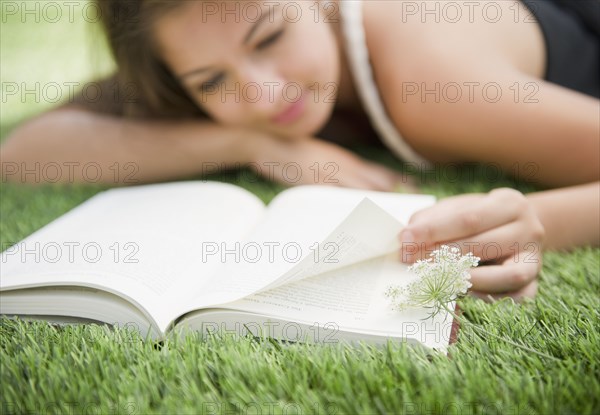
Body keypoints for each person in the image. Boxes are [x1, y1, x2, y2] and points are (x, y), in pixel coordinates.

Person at [1, 0, 598, 301]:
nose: (262, 94)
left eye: (271, 36)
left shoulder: (429, 83)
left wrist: (535, 219)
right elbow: (26, 153)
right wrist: (251, 141)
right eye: (210, 82)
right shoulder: (204, 48)